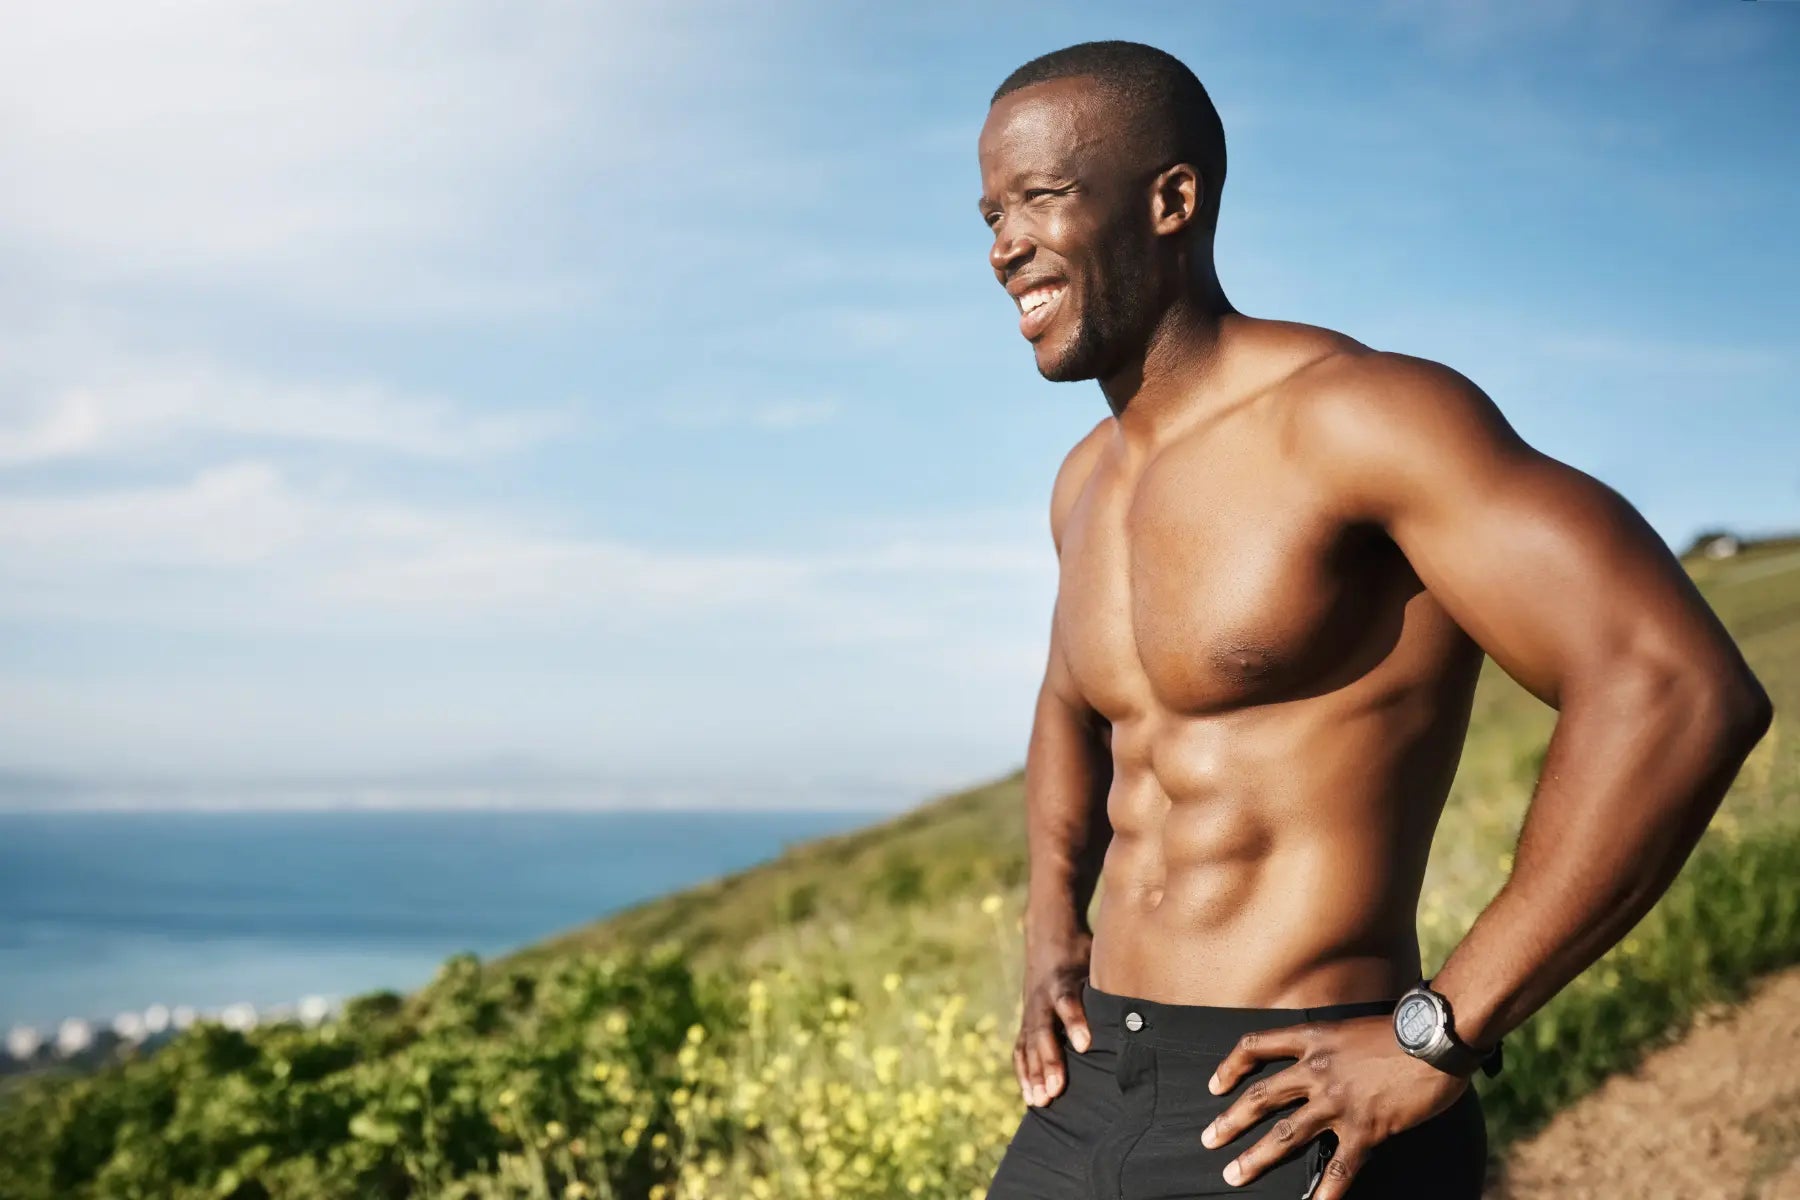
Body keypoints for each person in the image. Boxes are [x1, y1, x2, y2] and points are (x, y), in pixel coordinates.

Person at [977, 40, 1773, 1200]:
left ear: (1172, 201)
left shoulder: (1363, 419)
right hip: (1092, 1086)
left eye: (1041, 198)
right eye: (991, 212)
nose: (1004, 246)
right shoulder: (1085, 481)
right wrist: (1054, 926)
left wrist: (1439, 1031)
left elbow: (1676, 687)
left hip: (1298, 1102)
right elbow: (1070, 705)